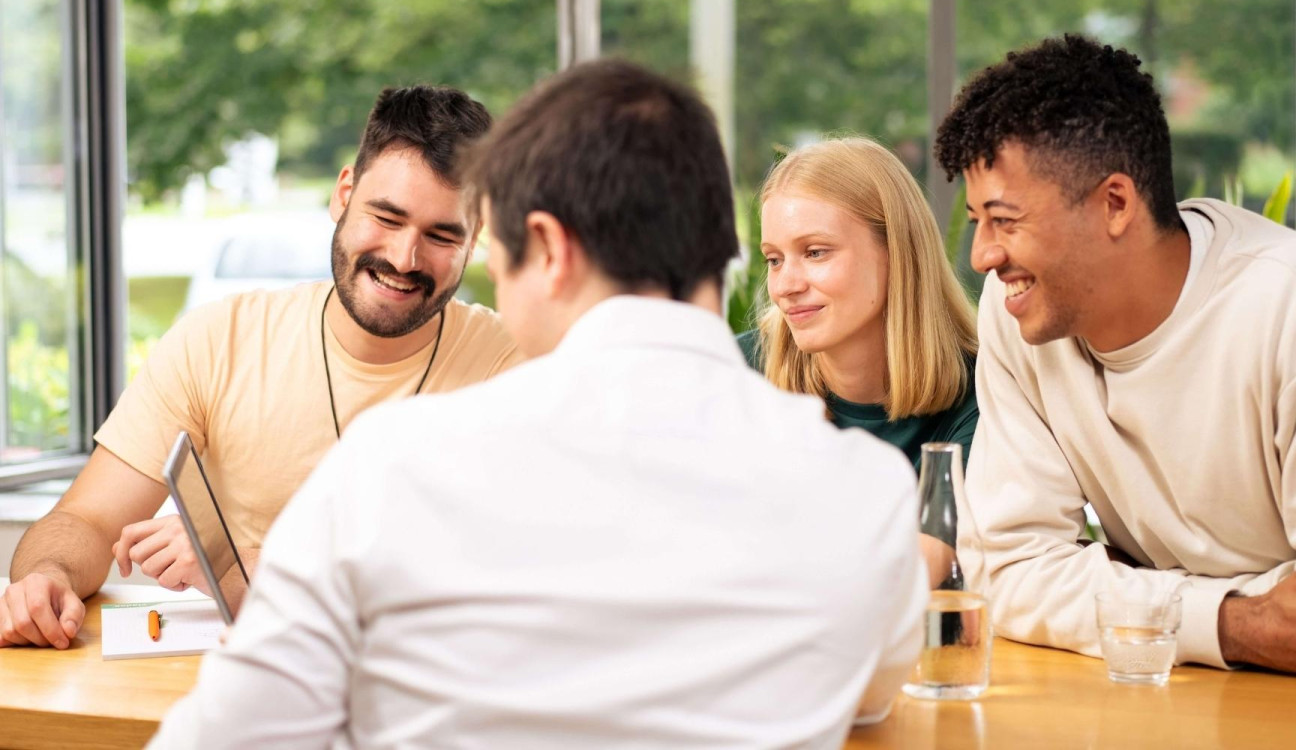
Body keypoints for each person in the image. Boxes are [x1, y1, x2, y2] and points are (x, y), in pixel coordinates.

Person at [147, 59, 925, 748]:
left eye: (500, 256)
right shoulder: (865, 492)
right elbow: (867, 698)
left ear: (548, 249)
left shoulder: (388, 468)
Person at [940, 34, 1296, 681]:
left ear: (1115, 204)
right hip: (1190, 697)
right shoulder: (1018, 315)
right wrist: (1236, 622)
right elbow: (1006, 571)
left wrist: (1126, 585)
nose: (982, 255)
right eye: (976, 220)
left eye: (1005, 221)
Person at [1, 85, 520, 650]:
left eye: (441, 235)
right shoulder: (218, 339)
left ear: (474, 240)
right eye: (386, 217)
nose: (403, 258)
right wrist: (46, 576)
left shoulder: (511, 363)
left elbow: (505, 574)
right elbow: (85, 521)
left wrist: (252, 563)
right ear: (344, 194)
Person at [739, 137, 980, 473]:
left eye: (815, 253)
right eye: (774, 260)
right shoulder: (737, 374)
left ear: (896, 252)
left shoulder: (985, 394)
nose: (785, 287)